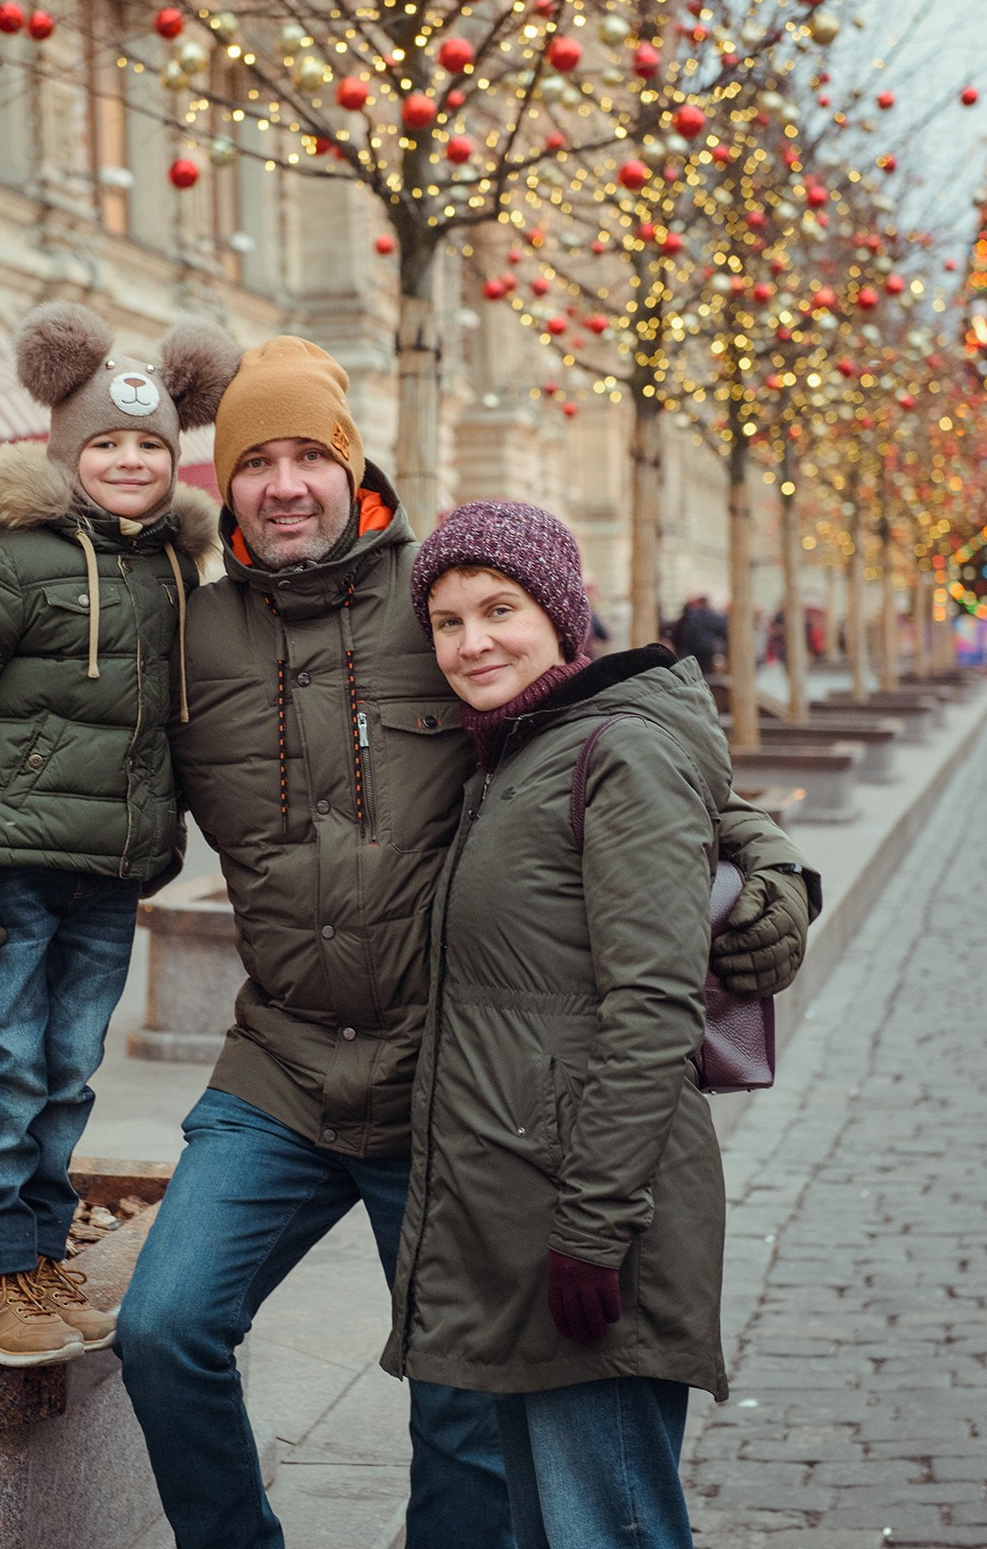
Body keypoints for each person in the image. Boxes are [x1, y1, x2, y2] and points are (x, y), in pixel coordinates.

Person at [106, 336, 818, 1549]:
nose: (285, 485)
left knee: (466, 1419)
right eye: (254, 462)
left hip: (448, 1080)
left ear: (355, 469)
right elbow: (69, 745)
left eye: (309, 458)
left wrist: (773, 873)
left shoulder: (446, 596)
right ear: (218, 484)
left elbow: (630, 722)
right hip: (278, 1068)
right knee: (161, 1327)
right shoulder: (191, 631)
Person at [385, 501, 766, 1549]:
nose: (473, 643)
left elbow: (651, 1007)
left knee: (609, 1530)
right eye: (449, 623)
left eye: (498, 610)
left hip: (594, 1225)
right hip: (519, 1217)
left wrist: (593, 1229)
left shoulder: (612, 752)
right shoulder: (517, 753)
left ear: (560, 614)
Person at [0, 301, 235, 1368]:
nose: (127, 461)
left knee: (68, 1070)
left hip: (111, 871)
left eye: (148, 446)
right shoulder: (5, 558)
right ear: (65, 451)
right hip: (5, 865)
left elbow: (178, 724)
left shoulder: (175, 568)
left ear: (175, 458)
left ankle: (35, 1256)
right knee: (4, 1069)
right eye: (105, 444)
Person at [671, 594, 728, 674]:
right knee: (706, 670)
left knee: (694, 668)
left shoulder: (691, 615)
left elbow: (685, 631)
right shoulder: (711, 615)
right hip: (708, 648)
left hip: (693, 647)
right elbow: (722, 629)